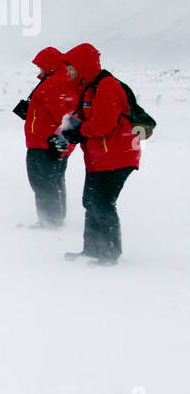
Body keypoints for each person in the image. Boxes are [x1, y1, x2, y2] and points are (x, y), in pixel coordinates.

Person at [59, 43, 141, 265]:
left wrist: (80, 131)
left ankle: (109, 253)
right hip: (100, 157)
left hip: (117, 156)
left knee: (102, 202)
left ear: (83, 65)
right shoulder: (90, 86)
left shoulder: (106, 86)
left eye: (72, 67)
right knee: (91, 201)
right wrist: (69, 131)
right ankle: (94, 249)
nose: (69, 72)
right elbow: (86, 118)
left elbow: (104, 124)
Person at [21, 47, 78, 228]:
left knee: (42, 181)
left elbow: (60, 114)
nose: (39, 70)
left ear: (49, 64)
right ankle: (56, 218)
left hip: (44, 142)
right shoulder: (62, 80)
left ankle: (49, 221)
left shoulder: (52, 84)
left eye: (41, 66)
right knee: (55, 180)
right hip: (54, 142)